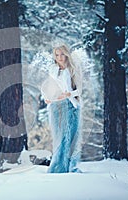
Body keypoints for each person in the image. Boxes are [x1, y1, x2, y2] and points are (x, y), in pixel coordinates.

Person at [41, 44, 82, 173]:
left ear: (66, 54)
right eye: (57, 55)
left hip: (70, 105)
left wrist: (70, 93)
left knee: (69, 136)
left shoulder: (72, 69)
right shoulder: (52, 69)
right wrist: (46, 97)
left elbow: (79, 90)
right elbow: (48, 86)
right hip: (55, 106)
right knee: (58, 137)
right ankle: (57, 166)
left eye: (62, 54)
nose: (60, 57)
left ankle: (69, 166)